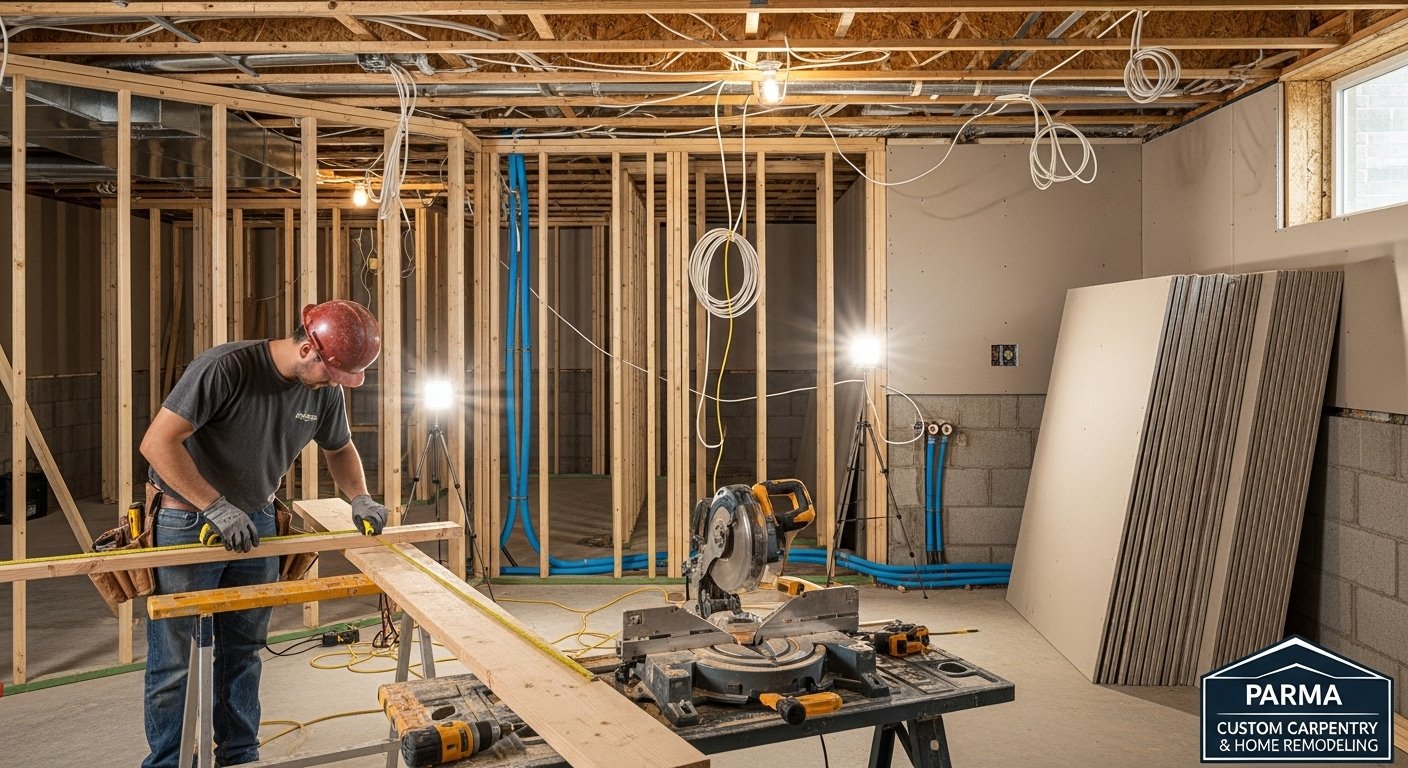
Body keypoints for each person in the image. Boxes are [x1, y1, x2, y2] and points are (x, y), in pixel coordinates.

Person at [138, 299, 391, 768]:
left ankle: (239, 756)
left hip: (254, 520)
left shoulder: (323, 390)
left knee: (244, 650)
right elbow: (157, 443)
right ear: (307, 348)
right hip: (187, 520)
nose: (335, 384)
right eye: (333, 373)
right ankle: (169, 763)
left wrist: (359, 496)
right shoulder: (225, 368)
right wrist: (214, 505)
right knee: (175, 660)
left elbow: (339, 448)